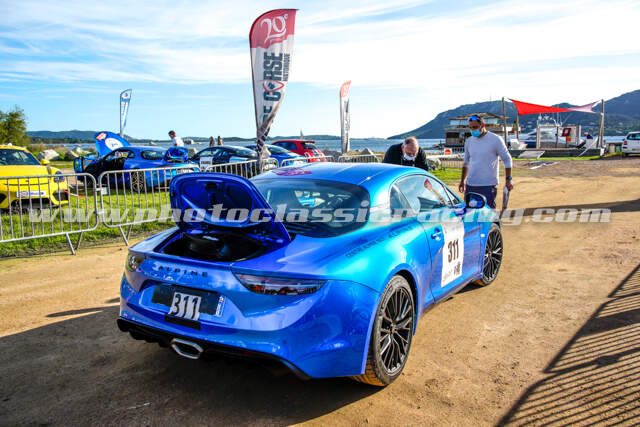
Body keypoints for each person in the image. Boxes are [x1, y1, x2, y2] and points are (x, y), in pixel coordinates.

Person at [458, 115, 513, 209]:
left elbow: (507, 159)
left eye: (475, 127)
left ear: (483, 125)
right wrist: (462, 181)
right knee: (469, 212)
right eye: (470, 127)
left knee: (487, 213)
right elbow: (466, 162)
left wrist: (508, 180)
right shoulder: (469, 141)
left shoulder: (495, 139)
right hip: (470, 185)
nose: (472, 130)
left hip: (488, 185)